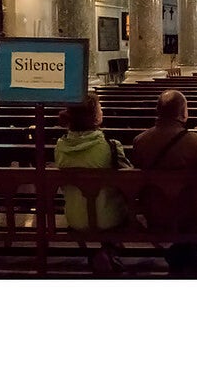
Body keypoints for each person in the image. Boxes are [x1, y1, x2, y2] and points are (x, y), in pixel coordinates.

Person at [132, 90, 197, 275]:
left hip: (154, 212)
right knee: (196, 203)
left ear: (158, 112)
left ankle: (179, 256)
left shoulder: (140, 141)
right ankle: (188, 257)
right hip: (191, 213)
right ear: (183, 113)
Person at [53, 91, 131, 274]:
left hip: (75, 218)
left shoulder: (60, 147)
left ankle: (102, 253)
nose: (102, 110)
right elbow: (129, 181)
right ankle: (107, 251)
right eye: (100, 107)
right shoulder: (110, 146)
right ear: (95, 117)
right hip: (108, 218)